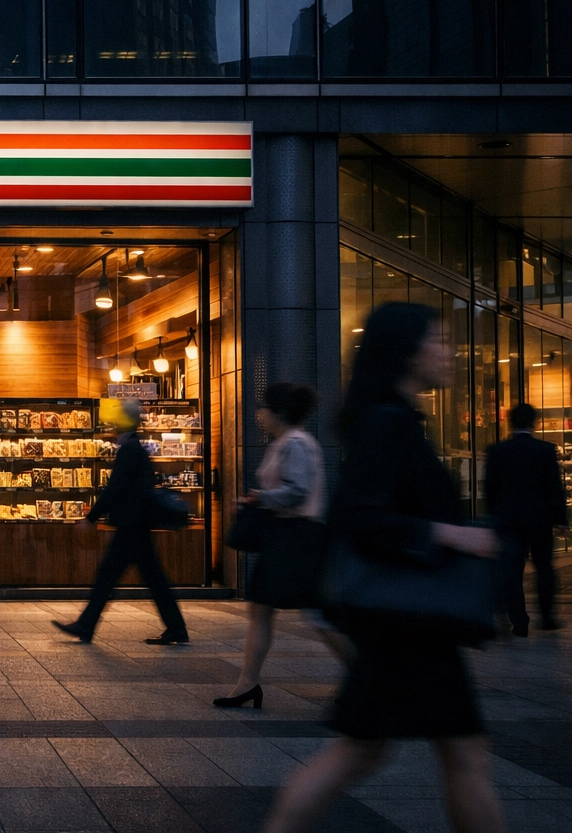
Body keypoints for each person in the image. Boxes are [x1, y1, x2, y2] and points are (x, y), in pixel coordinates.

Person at [262, 302, 504, 833]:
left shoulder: (390, 420)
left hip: (403, 622)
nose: (449, 351)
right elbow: (362, 517)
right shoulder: (388, 423)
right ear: (408, 349)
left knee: (374, 751)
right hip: (406, 625)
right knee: (449, 752)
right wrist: (450, 532)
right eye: (439, 339)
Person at [215, 383, 326, 709]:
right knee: (261, 610)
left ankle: (368, 682)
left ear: (279, 413)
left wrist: (260, 498)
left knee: (318, 615)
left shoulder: (295, 443)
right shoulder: (284, 443)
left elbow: (297, 491)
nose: (258, 413)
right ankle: (247, 683)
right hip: (287, 536)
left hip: (297, 537)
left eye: (263, 408)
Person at [52, 398, 189, 646]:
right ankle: (176, 628)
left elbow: (115, 488)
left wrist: (91, 517)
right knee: (151, 578)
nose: (112, 429)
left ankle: (86, 624)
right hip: (137, 525)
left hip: (131, 526)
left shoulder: (129, 450)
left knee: (109, 575)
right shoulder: (136, 448)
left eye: (115, 423)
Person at [485, 402, 568, 636]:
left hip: (509, 521)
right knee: (544, 567)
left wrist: (495, 517)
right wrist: (561, 519)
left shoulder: (497, 451)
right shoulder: (545, 450)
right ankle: (547, 617)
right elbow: (554, 487)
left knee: (512, 572)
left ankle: (519, 621)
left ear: (510, 423)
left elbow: (491, 488)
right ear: (534, 423)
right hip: (539, 520)